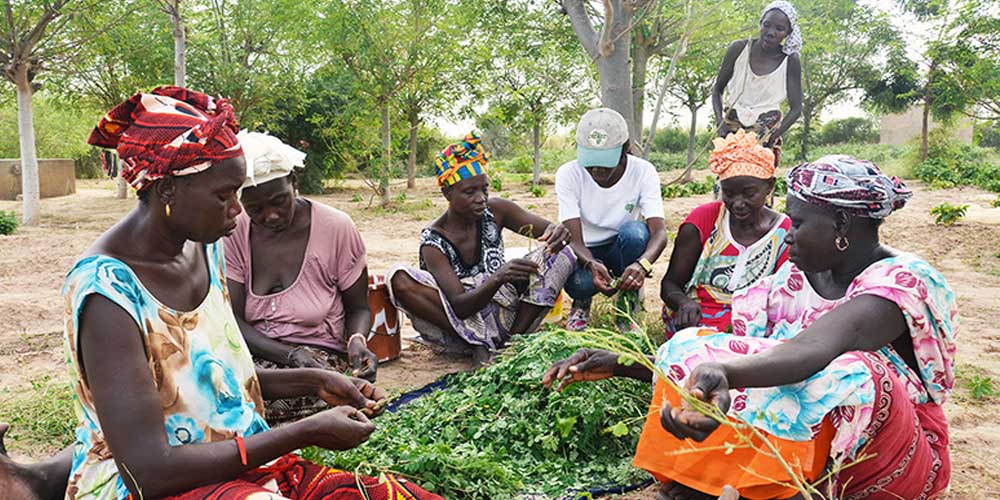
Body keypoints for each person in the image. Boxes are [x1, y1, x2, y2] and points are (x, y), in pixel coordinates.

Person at [63, 86, 441, 500]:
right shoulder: (107, 294)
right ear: (168, 190)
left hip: (238, 465)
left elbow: (211, 382)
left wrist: (317, 381)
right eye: (224, 196)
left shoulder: (204, 250)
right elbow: (148, 471)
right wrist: (304, 431)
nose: (238, 212)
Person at [544, 156, 956, 499]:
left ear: (843, 227)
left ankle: (791, 485)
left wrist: (725, 373)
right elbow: (738, 353)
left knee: (851, 370)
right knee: (691, 342)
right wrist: (622, 363)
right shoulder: (789, 282)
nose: (787, 236)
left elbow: (812, 351)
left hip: (893, 459)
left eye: (796, 225)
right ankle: (726, 478)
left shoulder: (900, 282)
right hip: (810, 447)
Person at [224, 131, 378, 424]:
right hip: (254, 355)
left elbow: (358, 308)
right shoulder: (233, 232)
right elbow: (231, 321)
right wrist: (290, 355)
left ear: (294, 183)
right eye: (255, 209)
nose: (270, 216)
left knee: (251, 406)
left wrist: (357, 341)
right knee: (216, 391)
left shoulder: (336, 228)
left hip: (319, 358)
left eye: (279, 201)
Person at [389, 133, 576, 364]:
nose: (481, 198)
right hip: (460, 329)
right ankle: (477, 344)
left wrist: (558, 232)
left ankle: (510, 345)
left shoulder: (497, 211)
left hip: (508, 319)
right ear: (447, 194)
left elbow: (549, 231)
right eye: (469, 192)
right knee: (397, 277)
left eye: (484, 190)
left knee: (561, 253)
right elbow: (460, 307)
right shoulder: (434, 241)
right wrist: (498, 277)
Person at [660, 130, 790, 338]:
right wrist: (683, 303)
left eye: (749, 194)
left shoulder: (785, 233)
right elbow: (670, 284)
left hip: (753, 329)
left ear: (770, 187)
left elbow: (785, 300)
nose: (737, 204)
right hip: (695, 323)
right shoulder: (704, 220)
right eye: (728, 193)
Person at [556, 108, 668, 331]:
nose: (596, 170)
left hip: (623, 247)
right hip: (586, 250)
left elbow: (660, 233)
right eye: (591, 161)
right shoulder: (568, 174)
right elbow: (574, 240)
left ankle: (628, 304)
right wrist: (590, 263)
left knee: (636, 233)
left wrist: (641, 264)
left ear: (625, 150)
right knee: (580, 284)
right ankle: (582, 304)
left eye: (605, 162)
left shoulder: (643, 171)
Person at [712, 1, 803, 161]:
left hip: (766, 126)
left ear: (788, 33)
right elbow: (717, 90)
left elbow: (796, 109)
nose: (771, 32)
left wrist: (773, 137)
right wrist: (721, 124)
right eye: (767, 25)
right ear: (760, 24)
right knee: (728, 180)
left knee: (756, 181)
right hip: (732, 125)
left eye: (779, 29)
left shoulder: (790, 61)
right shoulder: (738, 49)